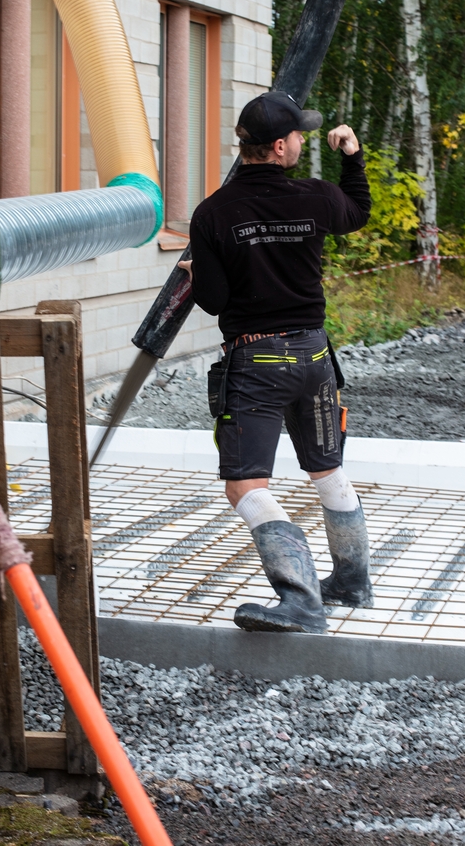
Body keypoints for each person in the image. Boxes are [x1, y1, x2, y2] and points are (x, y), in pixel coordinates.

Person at [178, 90, 373, 634]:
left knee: (245, 486)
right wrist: (352, 156)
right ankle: (352, 582)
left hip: (257, 362)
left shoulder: (213, 213)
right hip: (315, 357)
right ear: (281, 147)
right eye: (299, 135)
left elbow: (214, 300)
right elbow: (357, 212)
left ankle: (301, 600)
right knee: (327, 470)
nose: (303, 141)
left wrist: (200, 273)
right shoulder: (316, 197)